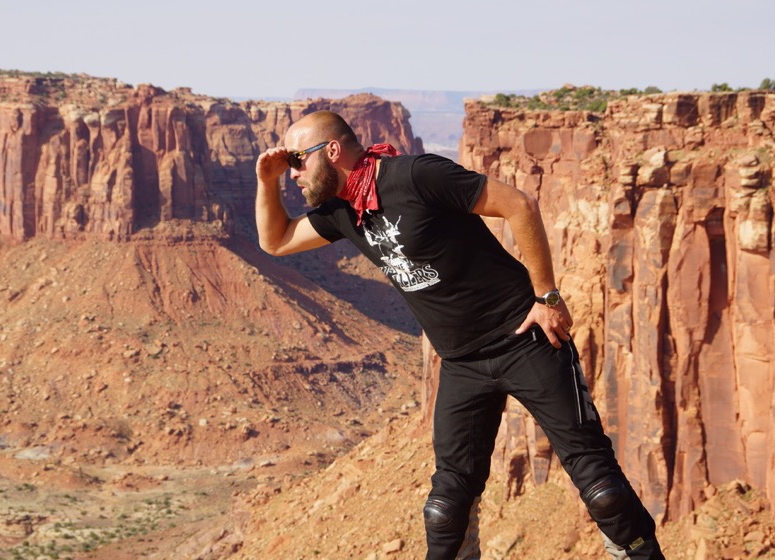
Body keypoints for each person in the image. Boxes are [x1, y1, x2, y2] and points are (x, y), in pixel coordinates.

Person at [255, 110, 664, 560]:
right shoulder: (341, 211)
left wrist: (546, 296)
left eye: (297, 160)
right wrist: (266, 181)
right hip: (462, 364)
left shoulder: (416, 175)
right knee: (444, 510)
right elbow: (275, 241)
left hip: (525, 340)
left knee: (601, 488)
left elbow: (519, 205)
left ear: (331, 151)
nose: (294, 173)